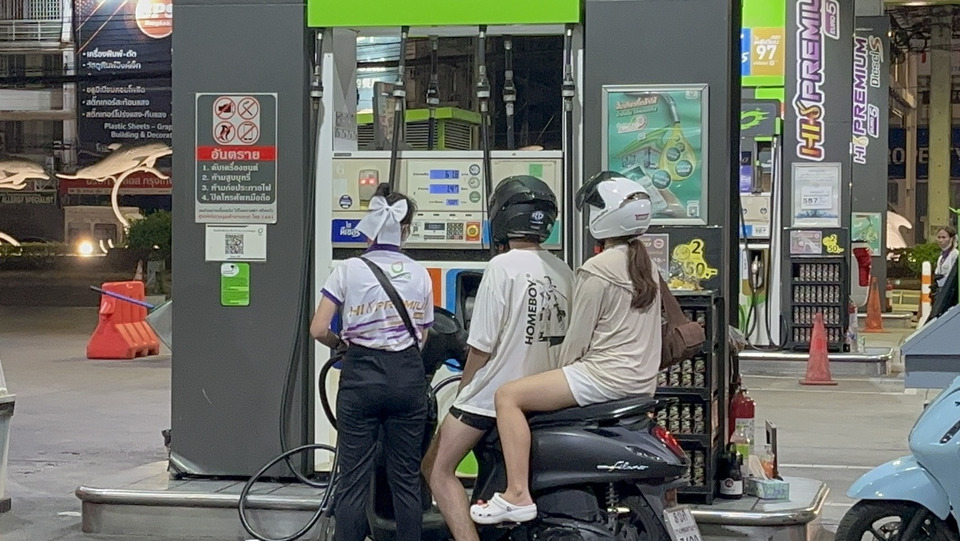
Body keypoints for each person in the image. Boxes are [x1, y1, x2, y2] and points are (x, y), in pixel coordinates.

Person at [470, 171, 661, 525]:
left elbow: (575, 342)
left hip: (603, 376)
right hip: (640, 381)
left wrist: (549, 374)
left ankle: (517, 494)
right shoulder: (646, 264)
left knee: (508, 396)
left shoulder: (597, 269)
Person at [421, 176, 573, 541]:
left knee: (436, 467)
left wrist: (463, 390)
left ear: (502, 216)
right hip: (544, 394)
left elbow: (481, 347)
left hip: (491, 397)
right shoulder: (564, 270)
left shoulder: (501, 268)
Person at [310, 184, 433, 541]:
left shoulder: (348, 269)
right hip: (407, 378)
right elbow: (423, 337)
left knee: (353, 480)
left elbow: (318, 328)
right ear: (405, 229)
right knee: (406, 479)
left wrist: (340, 345)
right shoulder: (420, 273)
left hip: (361, 376)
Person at [934, 226, 958, 291]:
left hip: (950, 291)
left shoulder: (955, 255)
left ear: (951, 239)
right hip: (941, 290)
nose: (940, 240)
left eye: (944, 237)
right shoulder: (941, 257)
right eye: (939, 237)